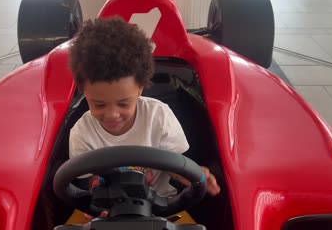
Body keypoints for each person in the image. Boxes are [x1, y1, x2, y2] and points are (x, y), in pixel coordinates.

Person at [67, 17, 220, 224]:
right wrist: (97, 198)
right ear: (84, 91)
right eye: (99, 104)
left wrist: (195, 174)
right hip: (105, 209)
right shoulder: (82, 133)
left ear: (140, 88)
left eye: (123, 103)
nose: (112, 114)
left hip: (161, 205)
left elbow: (175, 167)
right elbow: (88, 181)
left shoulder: (158, 116)